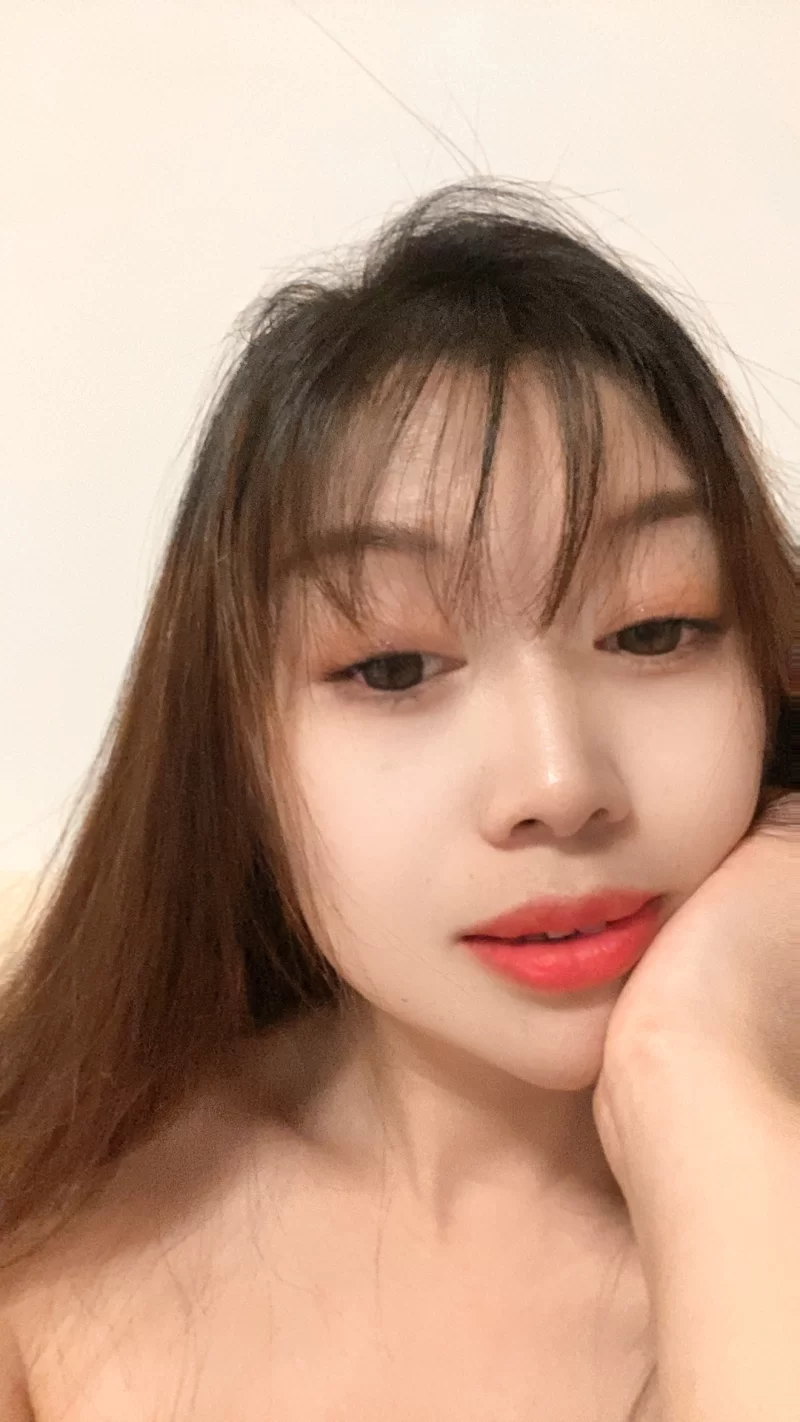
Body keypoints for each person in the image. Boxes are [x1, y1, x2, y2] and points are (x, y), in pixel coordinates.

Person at [0, 179, 796, 1422]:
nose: (556, 785)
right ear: (235, 750)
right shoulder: (50, 1225)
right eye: (390, 668)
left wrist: (697, 1075)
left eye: (653, 631)